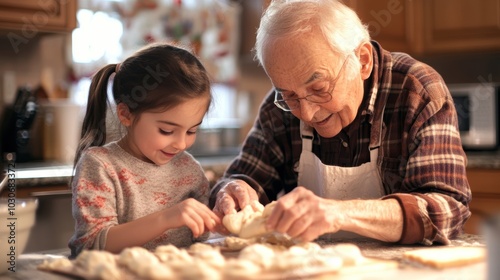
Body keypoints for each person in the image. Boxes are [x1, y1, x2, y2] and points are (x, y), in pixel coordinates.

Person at [210, 0, 471, 245]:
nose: (307, 113)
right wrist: (233, 192)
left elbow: (447, 208)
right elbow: (244, 178)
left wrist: (339, 213)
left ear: (363, 61)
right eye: (289, 96)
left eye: (319, 89)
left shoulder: (416, 91)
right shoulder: (278, 106)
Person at [69, 43, 220, 257]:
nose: (181, 144)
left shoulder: (189, 170)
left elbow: (202, 239)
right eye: (167, 130)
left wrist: (221, 216)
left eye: (191, 131)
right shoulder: (100, 166)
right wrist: (166, 218)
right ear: (126, 114)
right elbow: (91, 245)